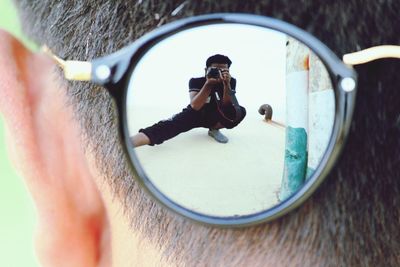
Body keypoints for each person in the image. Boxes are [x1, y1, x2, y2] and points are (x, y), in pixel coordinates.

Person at [0, 1, 399, 266]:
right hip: (198, 113)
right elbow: (194, 108)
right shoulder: (199, 78)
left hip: (223, 114)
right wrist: (210, 87)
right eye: (217, 66)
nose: (220, 69)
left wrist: (226, 90)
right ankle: (139, 139)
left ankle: (206, 133)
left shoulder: (231, 81)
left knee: (234, 115)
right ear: (209, 65)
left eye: (223, 67)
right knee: (173, 124)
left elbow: (230, 109)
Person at [131, 54, 246, 146]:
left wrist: (227, 85)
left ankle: (214, 129)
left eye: (223, 70)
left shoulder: (231, 81)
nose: (219, 73)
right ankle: (129, 142)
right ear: (206, 70)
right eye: (216, 69)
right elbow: (195, 106)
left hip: (216, 114)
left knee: (238, 111)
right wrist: (208, 84)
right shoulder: (196, 81)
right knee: (168, 126)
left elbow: (227, 105)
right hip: (195, 114)